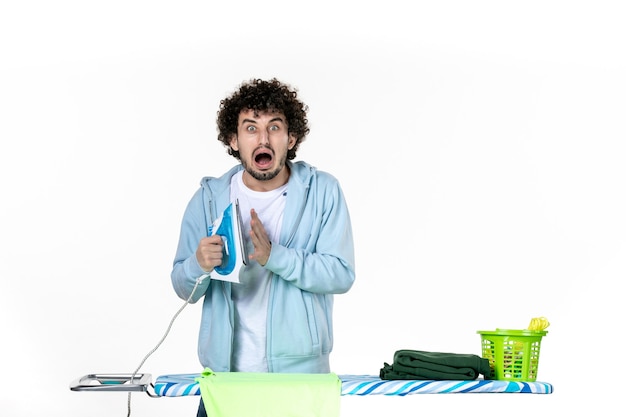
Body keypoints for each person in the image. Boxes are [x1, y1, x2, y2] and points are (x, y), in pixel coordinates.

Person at [170, 78, 356, 416]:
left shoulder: (323, 191)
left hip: (299, 382)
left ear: (291, 138)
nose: (264, 138)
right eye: (251, 128)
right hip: (224, 382)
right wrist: (199, 264)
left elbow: (341, 274)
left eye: (275, 126)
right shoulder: (208, 199)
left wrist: (276, 257)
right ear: (234, 139)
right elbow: (184, 288)